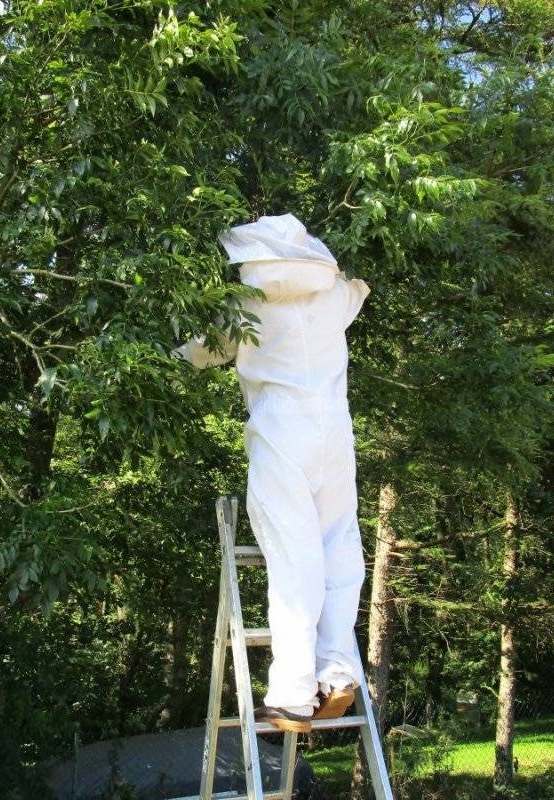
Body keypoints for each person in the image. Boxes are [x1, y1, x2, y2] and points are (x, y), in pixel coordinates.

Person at [172, 213, 371, 734]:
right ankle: (337, 672)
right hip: (334, 433)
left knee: (292, 558)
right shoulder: (334, 294)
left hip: (282, 432)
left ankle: (292, 696)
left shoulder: (244, 305)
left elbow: (198, 353)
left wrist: (161, 354)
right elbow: (357, 290)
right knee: (338, 548)